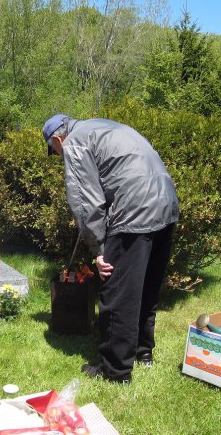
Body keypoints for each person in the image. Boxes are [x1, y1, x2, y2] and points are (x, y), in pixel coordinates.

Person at [42, 114, 179, 383]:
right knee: (146, 287)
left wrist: (99, 248)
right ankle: (143, 352)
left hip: (135, 210)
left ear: (58, 139)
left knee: (119, 293)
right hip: (166, 203)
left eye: (54, 151)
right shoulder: (104, 126)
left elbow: (86, 201)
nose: (59, 156)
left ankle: (115, 370)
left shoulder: (76, 142)